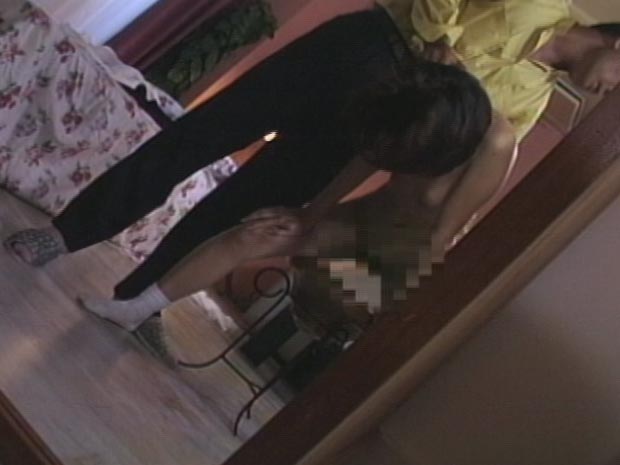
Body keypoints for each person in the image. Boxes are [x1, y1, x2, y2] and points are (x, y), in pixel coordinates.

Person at [0, 0, 236, 261]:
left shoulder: (204, 197)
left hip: (165, 143)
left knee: (49, 48)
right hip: (155, 114)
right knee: (49, 43)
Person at [376, 0, 620, 221]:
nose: (608, 94)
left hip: (401, 119)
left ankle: (438, 238)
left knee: (437, 187)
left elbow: (481, 160)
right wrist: (437, 38)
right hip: (390, 44)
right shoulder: (543, 4)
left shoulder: (532, 101)